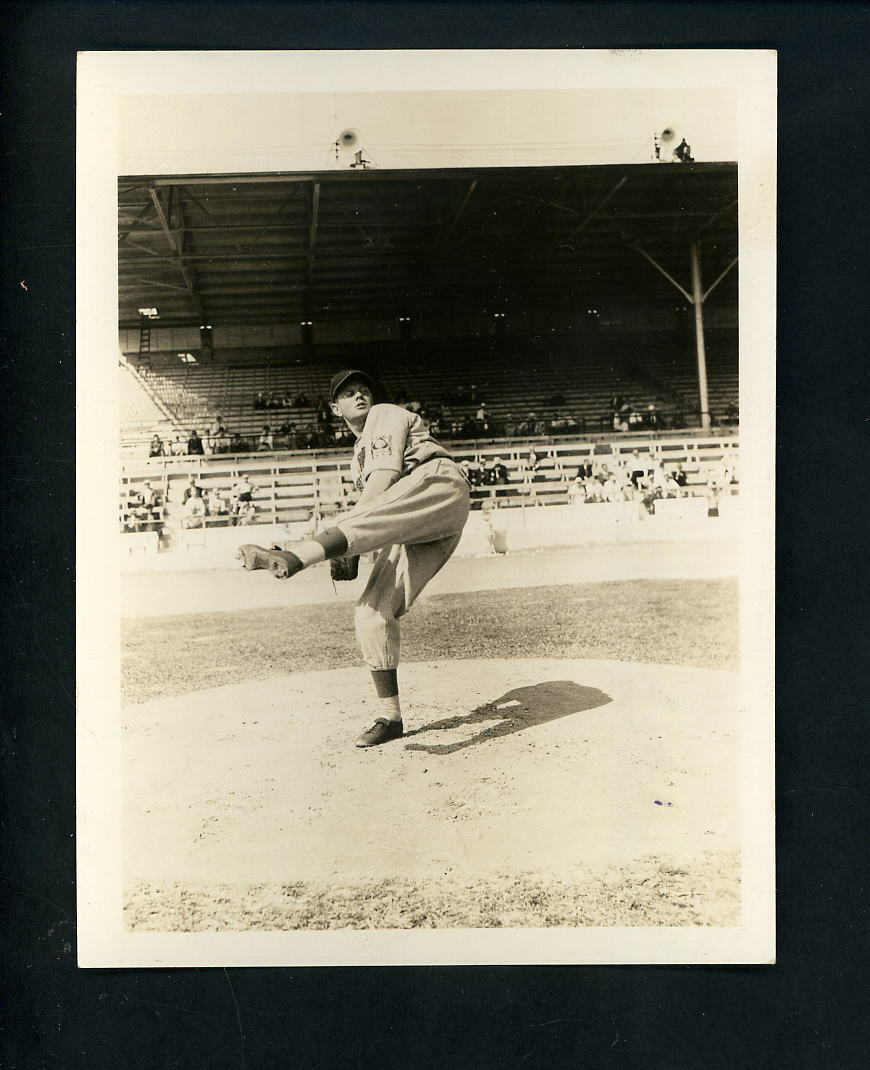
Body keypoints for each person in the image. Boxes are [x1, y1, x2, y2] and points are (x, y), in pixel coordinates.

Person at [238, 368, 470, 749]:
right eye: (349, 393)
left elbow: (383, 484)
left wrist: (345, 541)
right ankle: (390, 717)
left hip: (437, 485)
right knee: (371, 611)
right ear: (334, 408)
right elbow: (385, 510)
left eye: (364, 388)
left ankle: (295, 556)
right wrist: (352, 544)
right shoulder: (355, 458)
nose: (360, 395)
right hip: (421, 519)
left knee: (344, 534)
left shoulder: (385, 414)